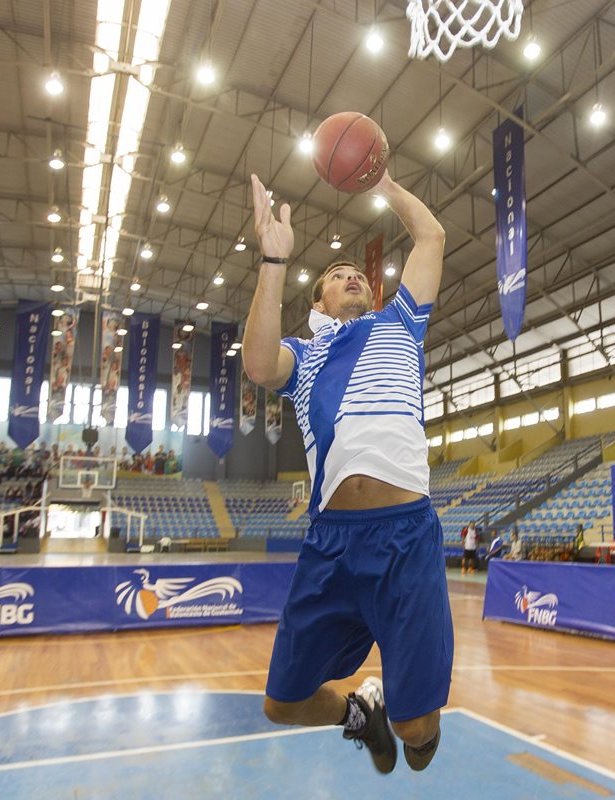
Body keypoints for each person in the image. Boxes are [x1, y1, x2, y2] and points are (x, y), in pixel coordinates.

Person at [244, 170, 450, 776]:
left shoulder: (401, 324)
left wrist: (380, 180)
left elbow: (431, 235)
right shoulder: (305, 356)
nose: (351, 275)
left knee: (418, 739)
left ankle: (406, 720)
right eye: (335, 276)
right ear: (318, 304)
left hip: (405, 536)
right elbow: (258, 365)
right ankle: (359, 715)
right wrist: (274, 260)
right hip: (331, 545)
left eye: (356, 272)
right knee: (282, 703)